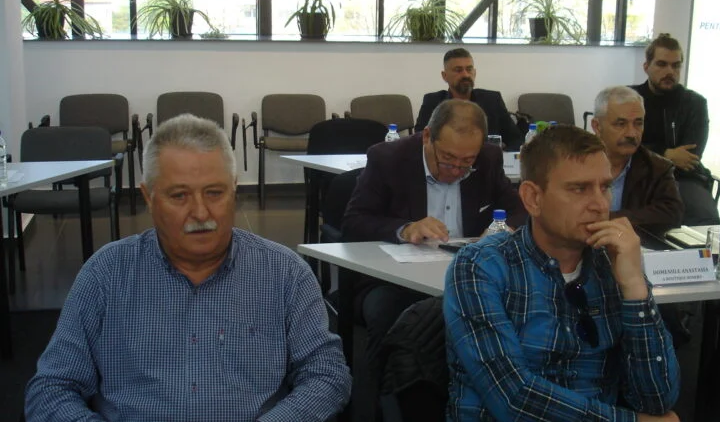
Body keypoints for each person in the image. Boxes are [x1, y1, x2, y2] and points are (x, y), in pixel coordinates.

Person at [25, 114, 351, 422]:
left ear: (234, 189)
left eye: (214, 193)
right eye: (180, 196)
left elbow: (326, 373)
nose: (200, 212)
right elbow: (52, 388)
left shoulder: (285, 274)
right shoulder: (106, 275)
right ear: (149, 197)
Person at [444, 125, 680, 421]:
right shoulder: (480, 266)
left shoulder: (614, 264)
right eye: (579, 189)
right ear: (533, 198)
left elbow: (658, 399)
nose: (600, 205)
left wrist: (634, 287)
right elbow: (513, 399)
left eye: (605, 187)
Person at [342, 99, 524, 418]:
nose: (456, 171)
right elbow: (354, 222)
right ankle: (379, 408)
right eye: (448, 159)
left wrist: (503, 228)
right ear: (427, 136)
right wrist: (405, 228)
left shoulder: (488, 158)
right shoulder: (388, 158)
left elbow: (521, 210)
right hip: (395, 279)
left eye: (466, 163)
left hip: (469, 277)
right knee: (389, 314)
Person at [632, 33, 720, 225]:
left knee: (707, 219)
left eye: (676, 65)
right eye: (662, 64)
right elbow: (622, 145)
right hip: (636, 175)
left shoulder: (695, 103)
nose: (670, 71)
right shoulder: (629, 98)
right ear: (646, 67)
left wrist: (648, 150)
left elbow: (690, 156)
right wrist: (666, 153)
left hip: (683, 178)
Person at [590, 85, 683, 230]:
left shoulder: (658, 167)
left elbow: (672, 213)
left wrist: (607, 220)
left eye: (638, 124)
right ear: (597, 126)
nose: (632, 134)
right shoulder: (574, 162)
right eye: (621, 124)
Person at [414, 48, 524, 150]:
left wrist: (499, 155)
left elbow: (515, 139)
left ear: (474, 72)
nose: (465, 75)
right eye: (458, 70)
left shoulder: (493, 100)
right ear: (444, 76)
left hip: (485, 160)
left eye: (469, 69)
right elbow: (420, 140)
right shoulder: (432, 102)